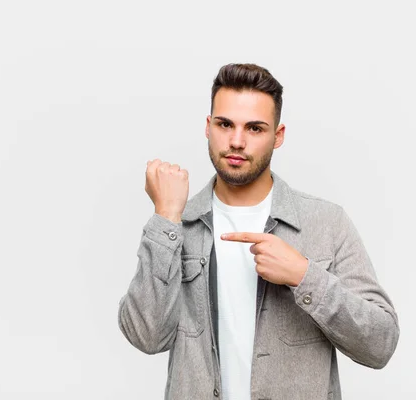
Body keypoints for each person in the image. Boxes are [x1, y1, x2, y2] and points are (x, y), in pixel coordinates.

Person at [118, 63, 400, 400]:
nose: (236, 141)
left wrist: (304, 276)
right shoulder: (178, 224)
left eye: (254, 128)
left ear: (277, 136)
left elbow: (380, 344)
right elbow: (146, 336)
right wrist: (165, 216)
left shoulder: (326, 222)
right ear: (208, 127)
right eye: (225, 125)